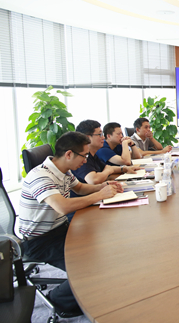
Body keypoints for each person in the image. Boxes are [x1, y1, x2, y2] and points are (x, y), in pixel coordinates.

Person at [19, 132, 121, 317]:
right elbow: (63, 206)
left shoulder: (63, 171)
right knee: (90, 266)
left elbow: (80, 188)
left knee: (107, 248)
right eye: (84, 155)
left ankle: (89, 290)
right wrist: (99, 195)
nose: (86, 160)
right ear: (68, 154)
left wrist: (103, 186)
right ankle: (57, 301)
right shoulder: (40, 176)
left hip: (61, 229)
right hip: (40, 241)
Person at [73, 120, 142, 184]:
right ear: (88, 138)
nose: (103, 137)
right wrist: (107, 171)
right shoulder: (81, 157)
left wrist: (125, 169)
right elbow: (94, 180)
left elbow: (107, 167)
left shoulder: (92, 154)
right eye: (100, 135)